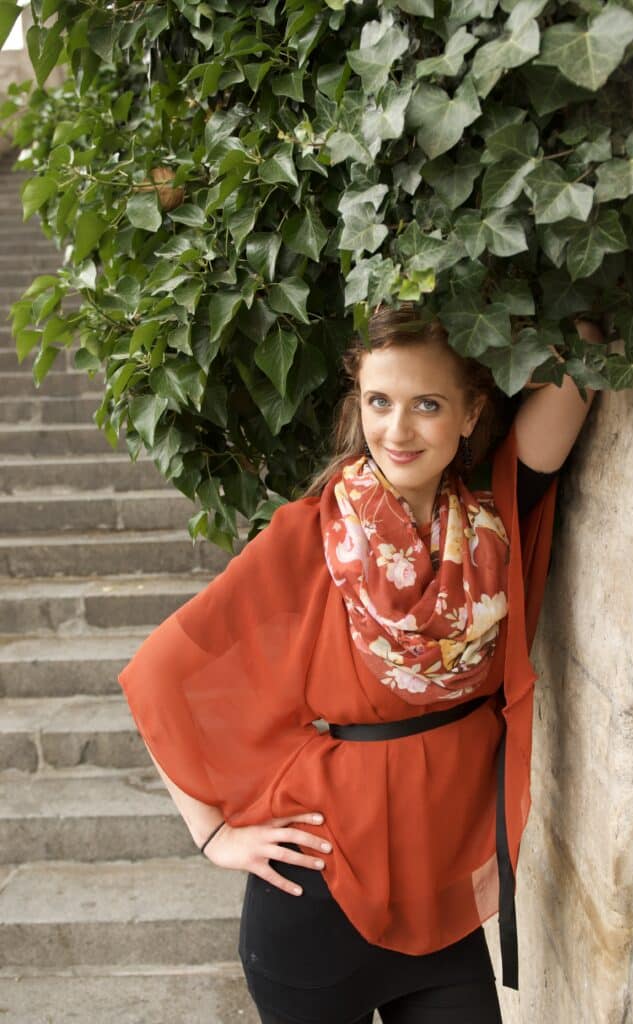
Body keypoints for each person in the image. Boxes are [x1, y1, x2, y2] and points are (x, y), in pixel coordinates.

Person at [118, 304, 602, 1024]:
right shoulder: (309, 537)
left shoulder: (494, 526)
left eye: (427, 404)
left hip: (440, 905)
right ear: (359, 404)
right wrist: (214, 833)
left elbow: (587, 350)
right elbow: (158, 673)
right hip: (317, 903)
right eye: (380, 401)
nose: (398, 430)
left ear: (471, 412)